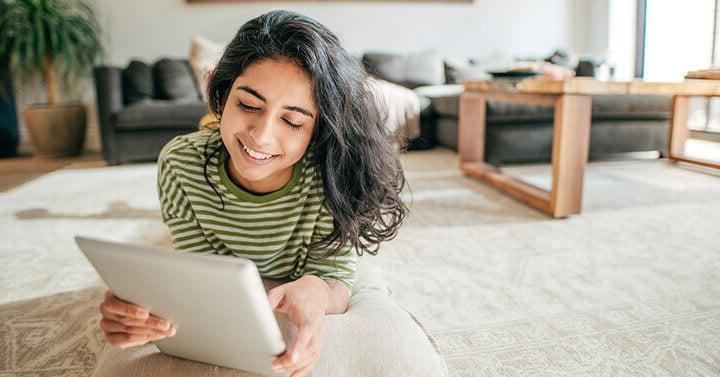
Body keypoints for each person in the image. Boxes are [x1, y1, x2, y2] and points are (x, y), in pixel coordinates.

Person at [96, 10, 407, 377]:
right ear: (222, 96)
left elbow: (334, 277)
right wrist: (149, 306)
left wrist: (317, 290)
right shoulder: (181, 165)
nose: (261, 136)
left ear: (318, 130)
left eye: (292, 121)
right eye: (247, 104)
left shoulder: (331, 175)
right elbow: (201, 272)